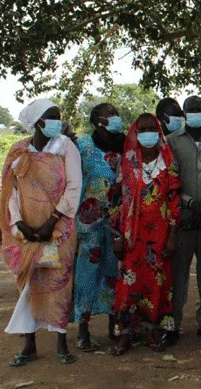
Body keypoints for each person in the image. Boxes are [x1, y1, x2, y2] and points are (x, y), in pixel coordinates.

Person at [1, 99, 81, 366]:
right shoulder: (18, 151)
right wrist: (19, 224)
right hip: (26, 231)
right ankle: (29, 344)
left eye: (59, 117)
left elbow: (73, 186)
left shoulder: (66, 148)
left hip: (59, 229)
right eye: (51, 117)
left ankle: (61, 342)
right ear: (37, 122)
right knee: (28, 284)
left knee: (60, 283)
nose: (57, 122)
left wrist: (53, 221)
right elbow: (10, 190)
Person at [110, 113, 179, 355]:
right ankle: (126, 334)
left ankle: (152, 331)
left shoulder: (168, 161)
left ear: (159, 132)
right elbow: (116, 198)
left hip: (159, 235)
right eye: (143, 129)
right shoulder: (127, 160)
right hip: (131, 236)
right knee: (128, 284)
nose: (148, 133)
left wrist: (172, 234)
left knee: (157, 283)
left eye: (152, 128)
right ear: (136, 133)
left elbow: (174, 199)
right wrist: (117, 236)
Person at [167, 95, 201, 342]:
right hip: (182, 218)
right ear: (185, 114)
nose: (195, 113)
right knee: (178, 273)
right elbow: (168, 180)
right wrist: (190, 203)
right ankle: (174, 324)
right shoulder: (171, 142)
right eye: (191, 110)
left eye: (199, 109)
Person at [72, 103, 125, 352]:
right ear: (98, 120)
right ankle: (83, 328)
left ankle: (115, 324)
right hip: (88, 220)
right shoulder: (82, 146)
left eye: (117, 114)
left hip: (117, 220)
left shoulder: (124, 144)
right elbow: (73, 181)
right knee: (86, 273)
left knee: (115, 271)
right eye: (110, 115)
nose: (116, 119)